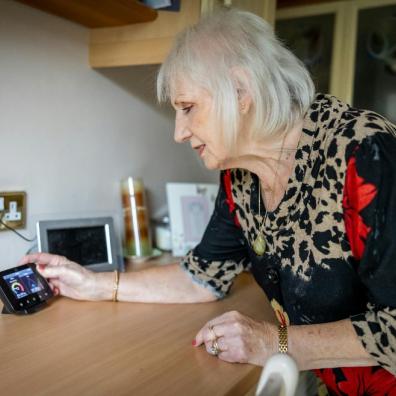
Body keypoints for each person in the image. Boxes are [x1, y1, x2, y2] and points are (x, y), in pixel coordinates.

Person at [20, 9, 396, 395]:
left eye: (188, 108)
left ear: (240, 91)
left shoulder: (365, 153)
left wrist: (273, 343)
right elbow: (203, 276)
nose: (179, 133)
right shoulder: (240, 177)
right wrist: (94, 284)